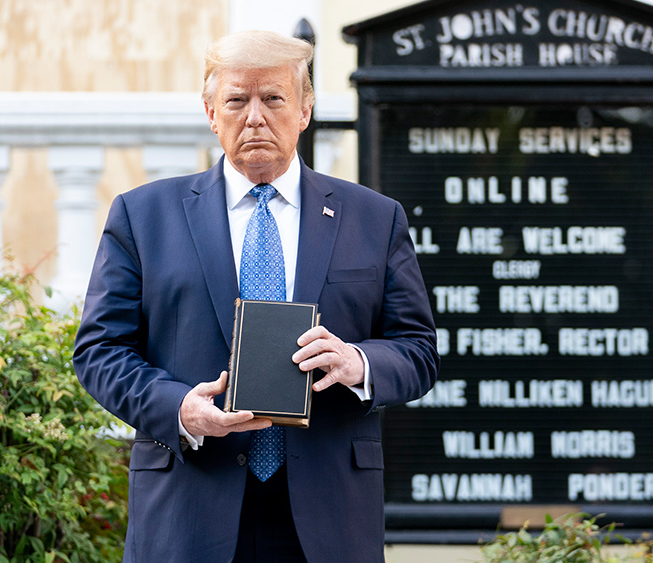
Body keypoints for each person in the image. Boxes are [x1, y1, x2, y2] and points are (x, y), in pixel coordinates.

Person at [73, 30, 438, 563]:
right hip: (188, 507)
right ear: (210, 112)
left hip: (329, 517)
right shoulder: (142, 216)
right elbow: (99, 350)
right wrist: (179, 408)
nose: (255, 117)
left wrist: (358, 362)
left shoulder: (375, 218)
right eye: (236, 100)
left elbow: (418, 351)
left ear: (305, 109)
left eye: (273, 98)